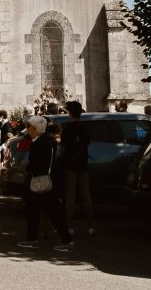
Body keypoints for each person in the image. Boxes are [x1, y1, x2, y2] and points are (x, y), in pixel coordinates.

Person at [17, 115, 72, 252]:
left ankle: (65, 240)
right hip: (43, 181)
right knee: (36, 211)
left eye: (29, 126)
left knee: (51, 212)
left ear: (35, 128)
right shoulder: (44, 141)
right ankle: (32, 238)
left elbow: (39, 163)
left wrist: (28, 168)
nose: (27, 129)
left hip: (42, 181)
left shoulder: (41, 143)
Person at [60, 100, 94, 235]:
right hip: (83, 164)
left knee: (70, 197)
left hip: (70, 165)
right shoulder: (85, 128)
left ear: (70, 113)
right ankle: (90, 226)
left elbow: (63, 147)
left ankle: (70, 226)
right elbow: (86, 144)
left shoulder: (67, 128)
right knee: (86, 196)